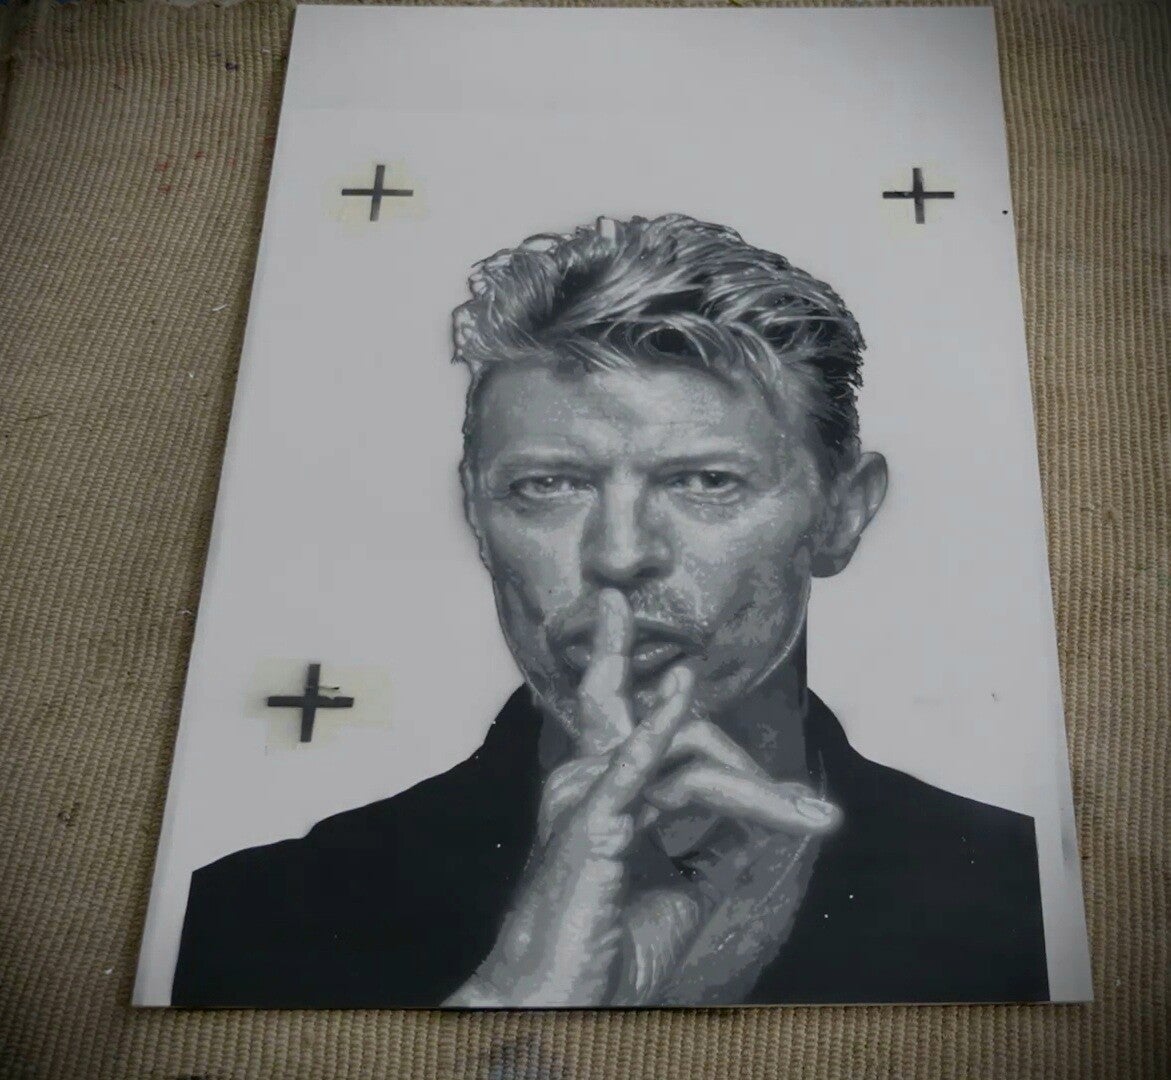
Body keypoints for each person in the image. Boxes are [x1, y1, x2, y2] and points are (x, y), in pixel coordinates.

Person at [172, 215, 1048, 1008]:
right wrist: (514, 993)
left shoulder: (1031, 902)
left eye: (705, 481)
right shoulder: (248, 920)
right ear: (475, 514)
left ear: (841, 513)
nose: (620, 555)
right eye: (547, 485)